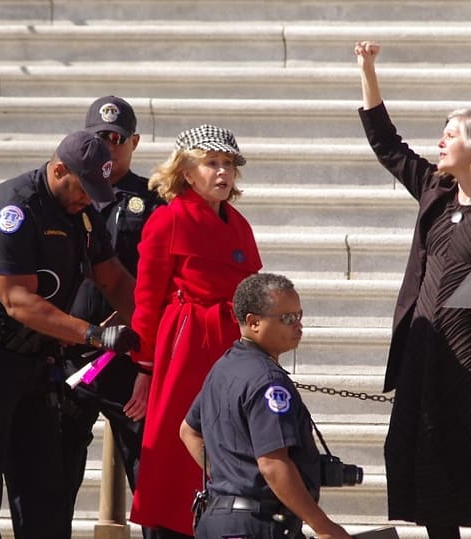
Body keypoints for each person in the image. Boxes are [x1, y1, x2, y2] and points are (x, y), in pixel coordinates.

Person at [355, 41, 471, 539]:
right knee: (429, 463)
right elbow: (386, 143)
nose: (440, 141)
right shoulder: (434, 191)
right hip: (428, 352)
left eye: (450, 134)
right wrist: (368, 71)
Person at [0, 131, 141, 539]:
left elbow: (112, 279)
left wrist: (150, 327)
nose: (88, 200)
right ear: (59, 169)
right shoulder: (16, 207)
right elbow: (18, 301)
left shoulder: (81, 209)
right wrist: (95, 335)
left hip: (37, 366)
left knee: (45, 491)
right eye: (83, 188)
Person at [129, 124, 262, 538]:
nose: (223, 172)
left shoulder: (239, 224)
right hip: (183, 347)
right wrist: (145, 369)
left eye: (229, 165)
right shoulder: (167, 220)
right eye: (212, 164)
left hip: (231, 345)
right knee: (176, 448)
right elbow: (147, 302)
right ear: (187, 172)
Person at [180, 273, 353, 539]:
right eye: (287, 319)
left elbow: (188, 431)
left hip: (220, 519)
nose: (299, 326)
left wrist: (233, 478)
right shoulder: (268, 381)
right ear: (254, 322)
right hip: (257, 524)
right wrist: (324, 526)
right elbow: (273, 464)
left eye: (299, 316)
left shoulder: (225, 366)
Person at [60, 96, 164, 538]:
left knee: (150, 476)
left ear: (134, 142)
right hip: (72, 355)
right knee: (55, 476)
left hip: (129, 358)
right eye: (98, 138)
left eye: (117, 138)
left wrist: (150, 362)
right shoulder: (62, 197)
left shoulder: (155, 200)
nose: (108, 147)